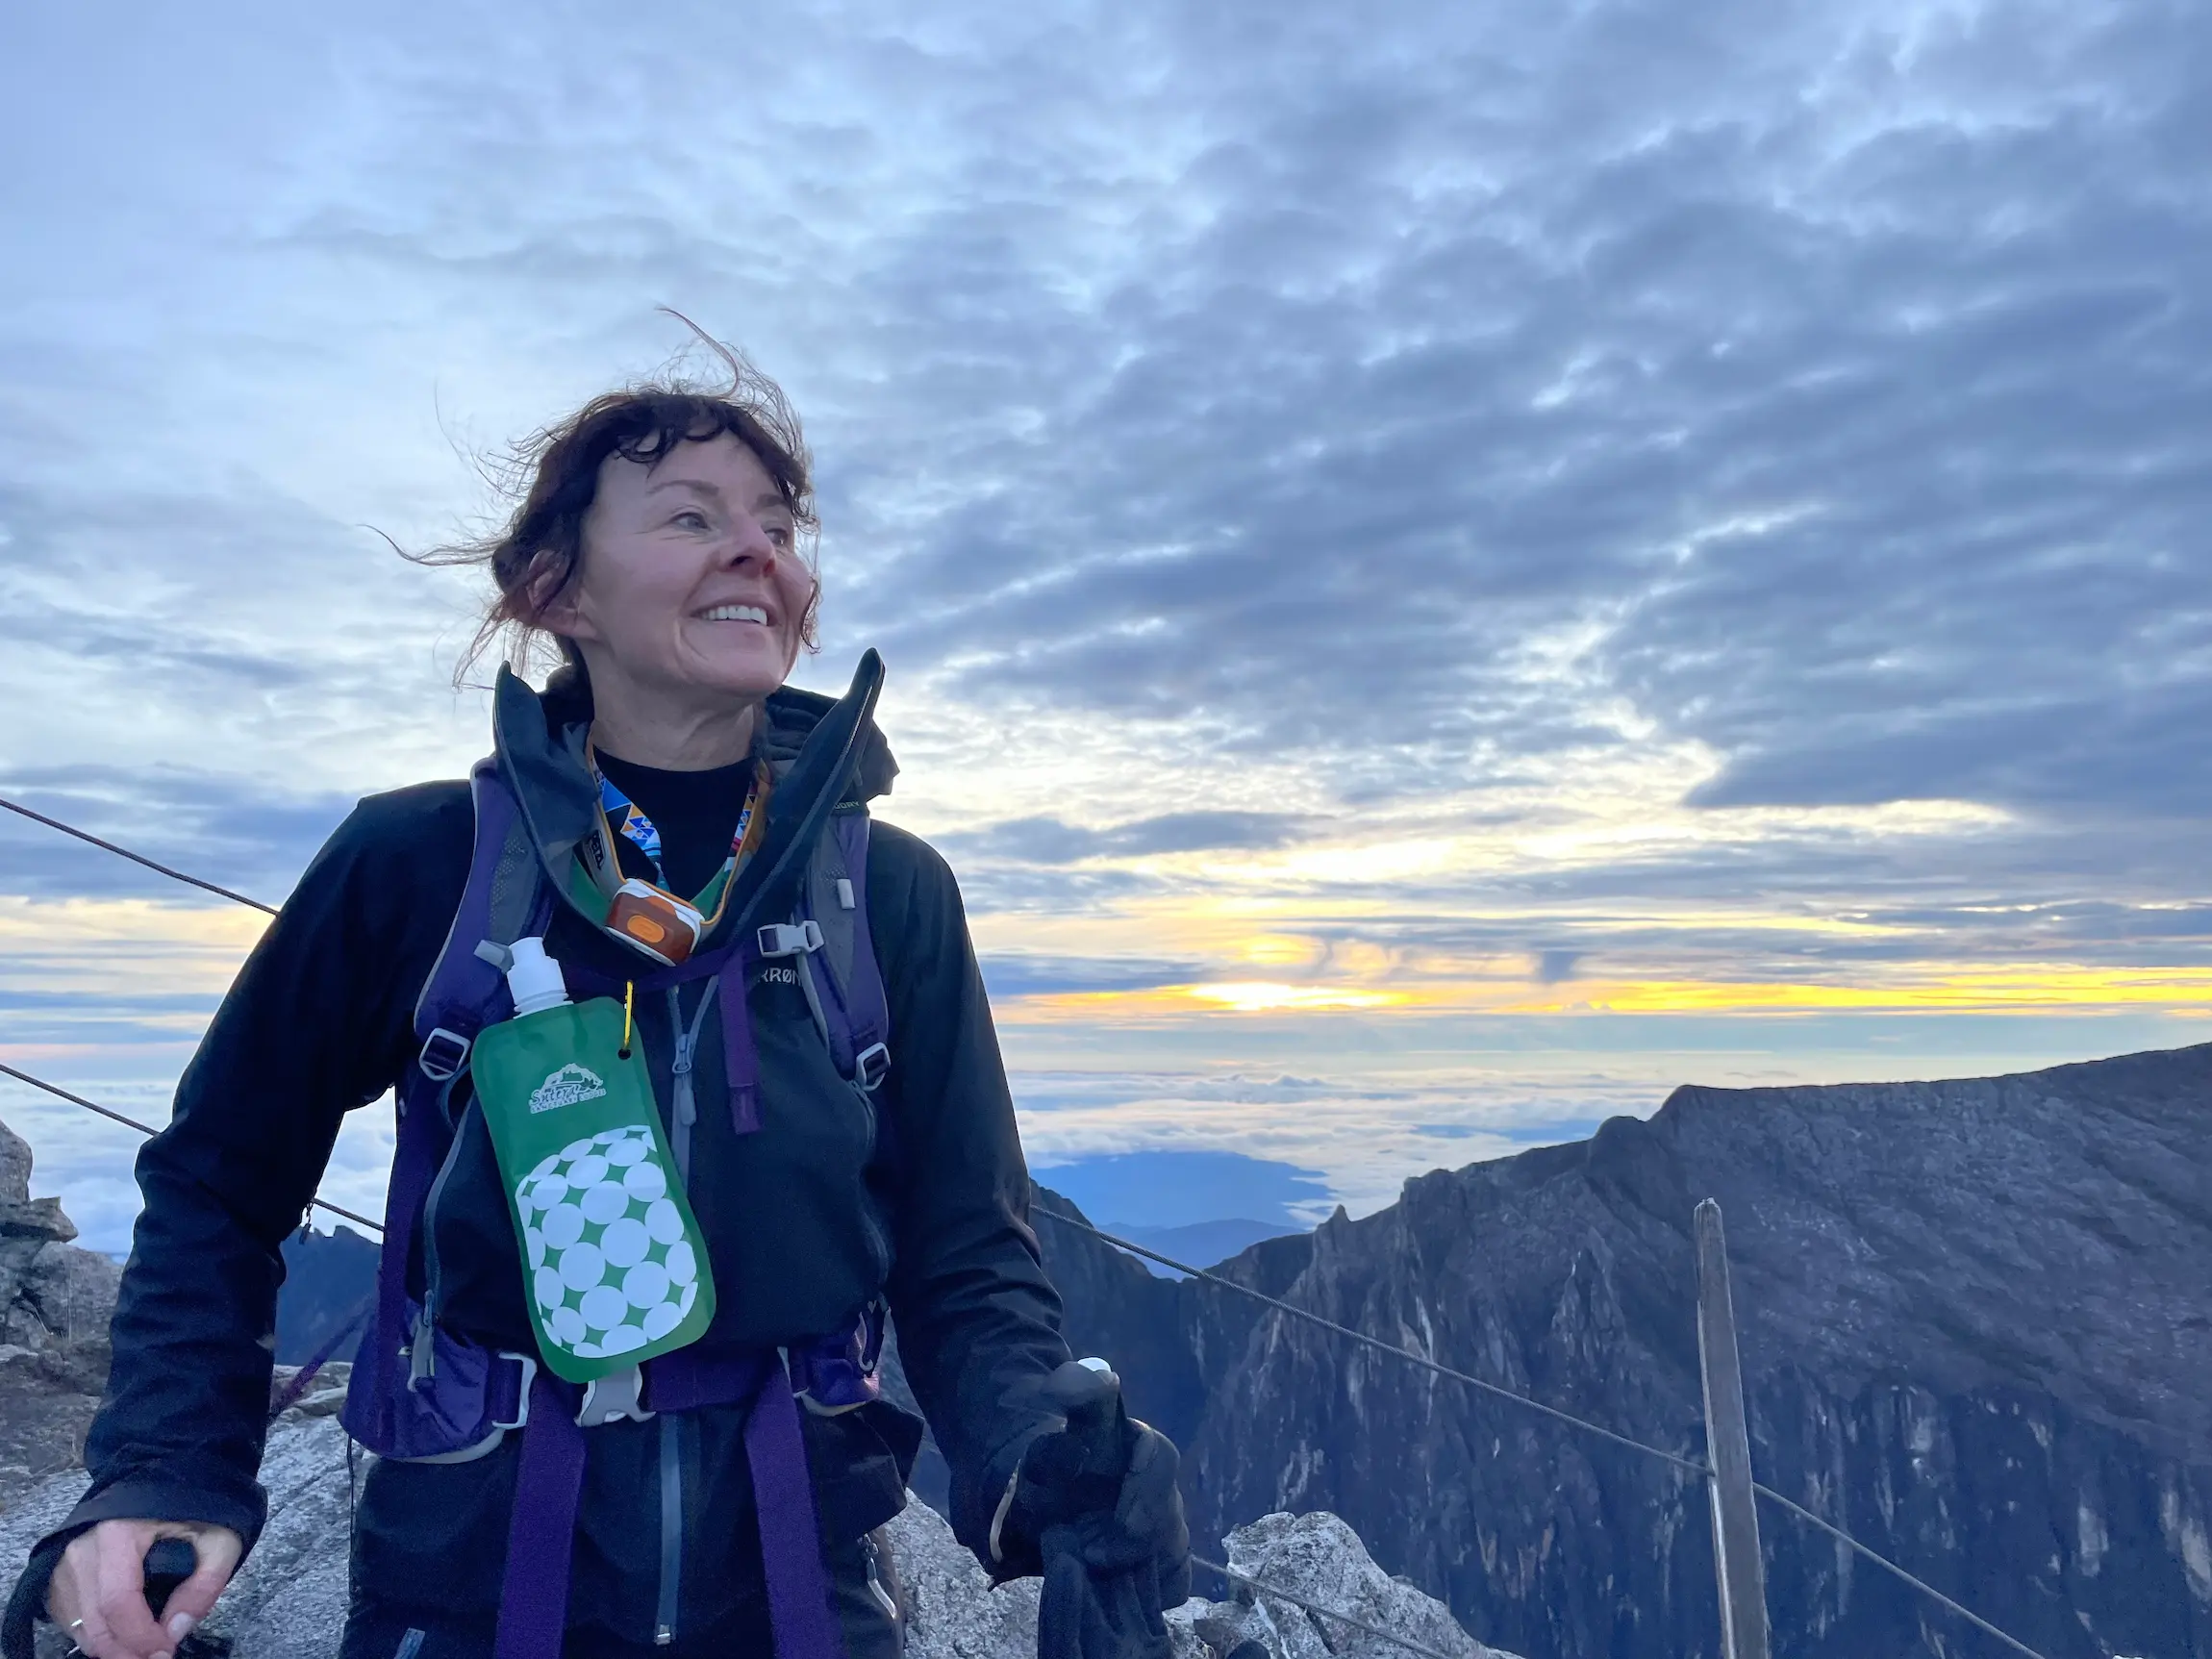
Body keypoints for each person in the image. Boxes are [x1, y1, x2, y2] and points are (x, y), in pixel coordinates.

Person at [6, 340, 1190, 1659]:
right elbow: (222, 1179)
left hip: (801, 1589)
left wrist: (1036, 1446)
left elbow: (966, 1252)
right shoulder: (420, 865)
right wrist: (168, 1467)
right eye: (693, 517)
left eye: (780, 525)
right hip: (471, 1586)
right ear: (554, 592)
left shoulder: (888, 893)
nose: (761, 553)